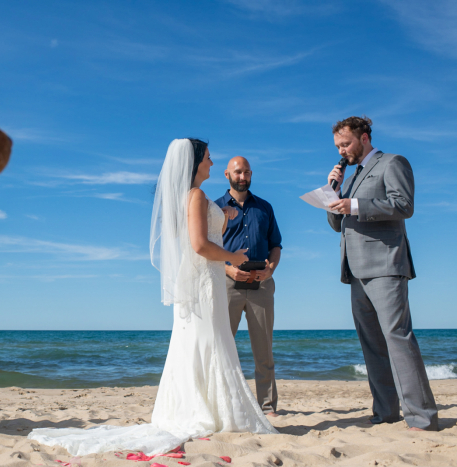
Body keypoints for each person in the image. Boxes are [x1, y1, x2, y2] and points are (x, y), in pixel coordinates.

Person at [28, 139, 277, 456]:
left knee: (201, 343)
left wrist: (224, 217)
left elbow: (196, 236)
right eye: (209, 159)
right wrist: (233, 256)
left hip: (202, 280)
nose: (212, 164)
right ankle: (210, 412)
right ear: (196, 163)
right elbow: (200, 245)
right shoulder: (197, 195)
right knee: (209, 342)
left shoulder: (189, 197)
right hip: (205, 281)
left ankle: (199, 409)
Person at [326, 116, 438, 431]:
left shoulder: (392, 163)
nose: (341, 150)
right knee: (372, 344)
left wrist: (356, 205)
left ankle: (422, 417)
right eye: (337, 146)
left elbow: (403, 205)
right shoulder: (348, 179)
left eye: (345, 143)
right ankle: (386, 412)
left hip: (386, 265)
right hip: (355, 269)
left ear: (364, 138)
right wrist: (332, 193)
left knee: (398, 338)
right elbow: (337, 224)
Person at [214, 157, 282, 417]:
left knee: (264, 349)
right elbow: (206, 249)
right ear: (227, 174)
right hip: (225, 284)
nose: (242, 177)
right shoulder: (214, 208)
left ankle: (267, 407)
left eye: (247, 172)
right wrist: (228, 269)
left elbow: (276, 245)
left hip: (261, 285)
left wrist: (271, 270)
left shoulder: (265, 208)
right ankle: (224, 406)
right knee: (223, 348)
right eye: (237, 172)